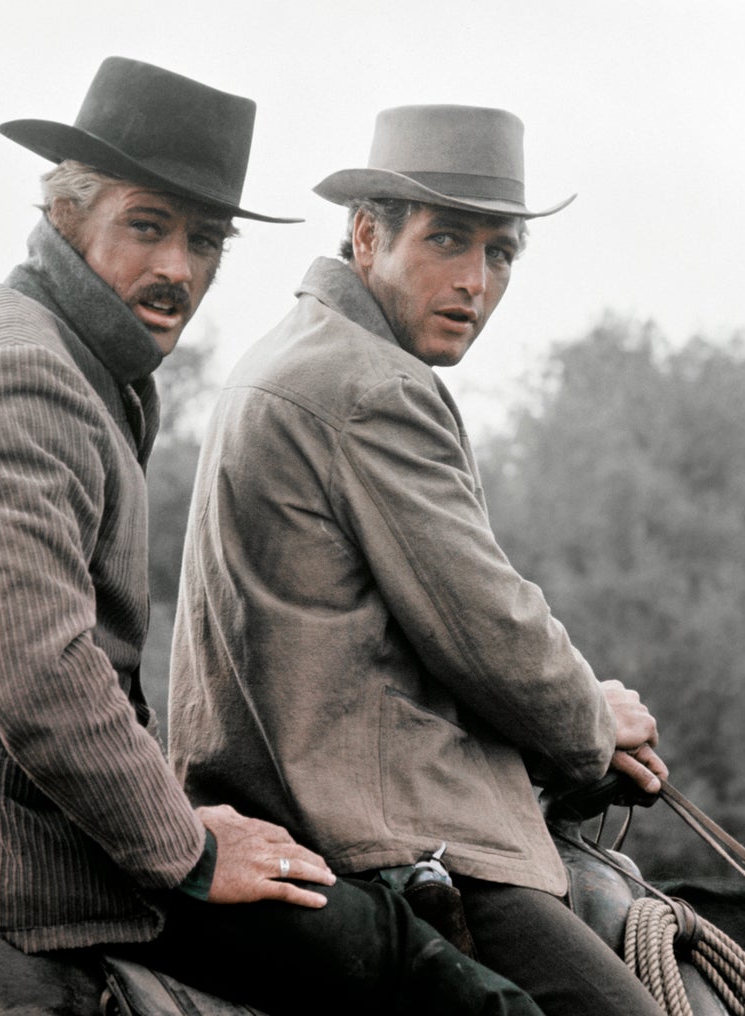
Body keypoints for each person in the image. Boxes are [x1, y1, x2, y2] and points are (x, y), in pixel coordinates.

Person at [0, 61, 542, 1016]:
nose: (179, 270)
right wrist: (186, 849)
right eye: (147, 227)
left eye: (204, 240)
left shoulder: (62, 356)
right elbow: (37, 676)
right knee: (431, 978)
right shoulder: (25, 375)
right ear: (68, 212)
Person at [169, 104, 670, 1015]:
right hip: (387, 830)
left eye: (500, 253)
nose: (474, 281)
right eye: (447, 240)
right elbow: (489, 627)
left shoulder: (286, 356)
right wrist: (592, 722)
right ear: (368, 236)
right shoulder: (372, 386)